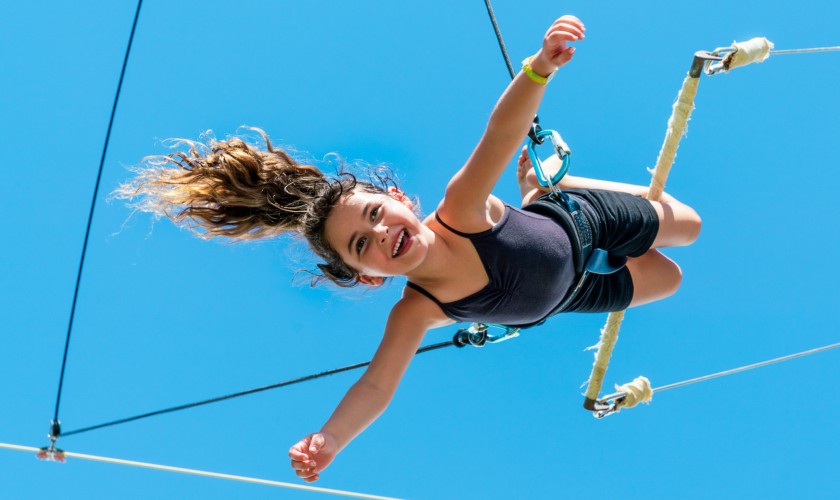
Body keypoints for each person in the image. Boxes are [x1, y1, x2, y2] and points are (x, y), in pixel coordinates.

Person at [117, 15, 700, 482]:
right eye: (361, 245)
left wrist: (539, 69)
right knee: (669, 279)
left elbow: (500, 133)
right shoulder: (415, 310)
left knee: (690, 226)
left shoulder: (462, 206)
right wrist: (331, 439)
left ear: (398, 197)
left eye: (376, 214)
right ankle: (545, 192)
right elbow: (375, 386)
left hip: (578, 219)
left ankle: (550, 186)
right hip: (570, 293)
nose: (381, 233)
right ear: (367, 276)